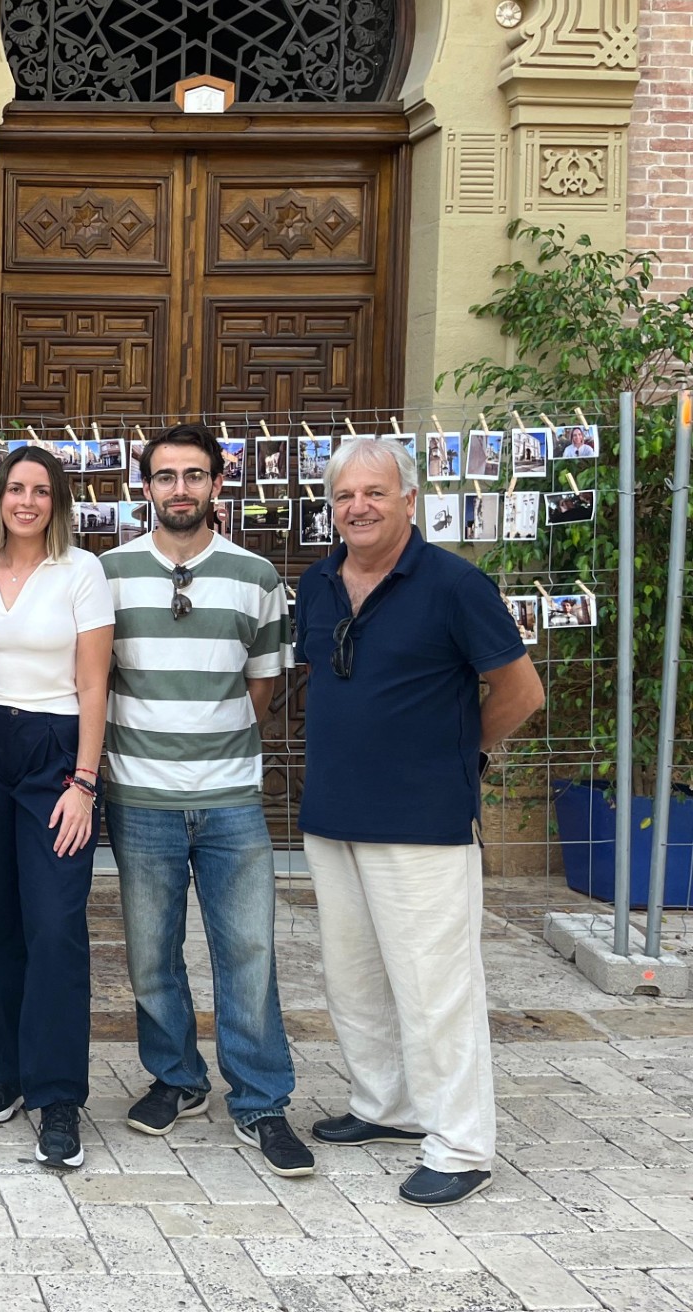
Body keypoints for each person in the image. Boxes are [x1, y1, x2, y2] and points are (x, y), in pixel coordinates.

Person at [296, 438, 544, 1207]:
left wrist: (458, 754)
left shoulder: (455, 585)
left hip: (423, 821)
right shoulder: (317, 583)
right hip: (333, 815)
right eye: (345, 496)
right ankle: (387, 1106)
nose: (359, 507)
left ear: (410, 500)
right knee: (355, 976)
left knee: (437, 987)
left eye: (375, 492)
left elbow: (521, 692)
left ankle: (463, 1143)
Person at [99, 424, 314, 1179]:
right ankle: (177, 1079)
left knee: (248, 951)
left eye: (195, 476)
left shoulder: (256, 576)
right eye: (165, 476)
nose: (180, 489)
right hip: (141, 796)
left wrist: (210, 741)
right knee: (151, 953)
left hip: (229, 798)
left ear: (218, 484)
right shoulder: (110, 573)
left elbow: (262, 687)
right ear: (145, 486)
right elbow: (100, 681)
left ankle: (261, 1100)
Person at [0, 445, 112, 1168]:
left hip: (55, 751)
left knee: (53, 926)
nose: (27, 502)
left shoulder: (81, 571)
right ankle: (6, 1071)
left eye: (41, 491)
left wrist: (83, 783)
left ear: (58, 501)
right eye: (16, 489)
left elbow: (95, 686)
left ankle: (59, 1096)